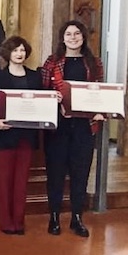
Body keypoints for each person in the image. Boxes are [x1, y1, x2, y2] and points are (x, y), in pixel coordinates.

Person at [40, 21, 104, 238]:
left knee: (80, 173)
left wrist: (100, 110)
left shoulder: (94, 63)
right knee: (55, 173)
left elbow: (101, 92)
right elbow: (42, 91)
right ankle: (54, 217)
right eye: (68, 34)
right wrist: (52, 97)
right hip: (58, 126)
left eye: (77, 33)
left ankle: (77, 217)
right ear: (62, 37)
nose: (73, 37)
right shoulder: (52, 62)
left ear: (83, 37)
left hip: (84, 128)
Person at [0, 36, 43, 235]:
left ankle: (19, 221)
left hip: (27, 136)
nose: (19, 54)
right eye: (15, 50)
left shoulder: (35, 77)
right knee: (5, 180)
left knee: (22, 180)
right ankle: (6, 222)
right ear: (8, 53)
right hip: (5, 134)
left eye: (22, 50)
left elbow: (41, 103)